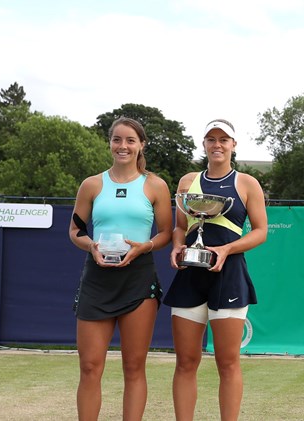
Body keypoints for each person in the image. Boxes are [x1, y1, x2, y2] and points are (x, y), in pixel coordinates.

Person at [69, 116, 173, 421]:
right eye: (117, 139)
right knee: (89, 366)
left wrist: (145, 247)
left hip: (138, 280)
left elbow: (166, 232)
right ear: (110, 142)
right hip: (97, 279)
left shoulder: (155, 185)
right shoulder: (92, 184)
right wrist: (91, 246)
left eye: (130, 140)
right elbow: (75, 231)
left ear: (141, 145)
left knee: (133, 366)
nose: (123, 146)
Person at [164, 118, 268, 421]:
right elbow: (180, 227)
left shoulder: (247, 183)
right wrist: (176, 246)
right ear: (204, 144)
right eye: (212, 139)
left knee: (228, 362)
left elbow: (260, 231)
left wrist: (226, 249)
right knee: (185, 361)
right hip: (189, 277)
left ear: (233, 145)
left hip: (230, 276)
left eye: (224, 139)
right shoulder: (187, 181)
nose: (217, 144)